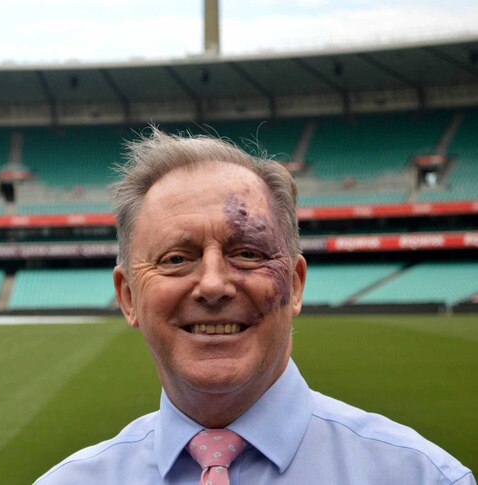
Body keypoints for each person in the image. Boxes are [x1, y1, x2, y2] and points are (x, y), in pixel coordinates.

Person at [36, 129, 475, 485]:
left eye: (247, 253)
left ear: (296, 284)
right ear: (128, 296)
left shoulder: (422, 477)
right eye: (176, 259)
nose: (212, 284)